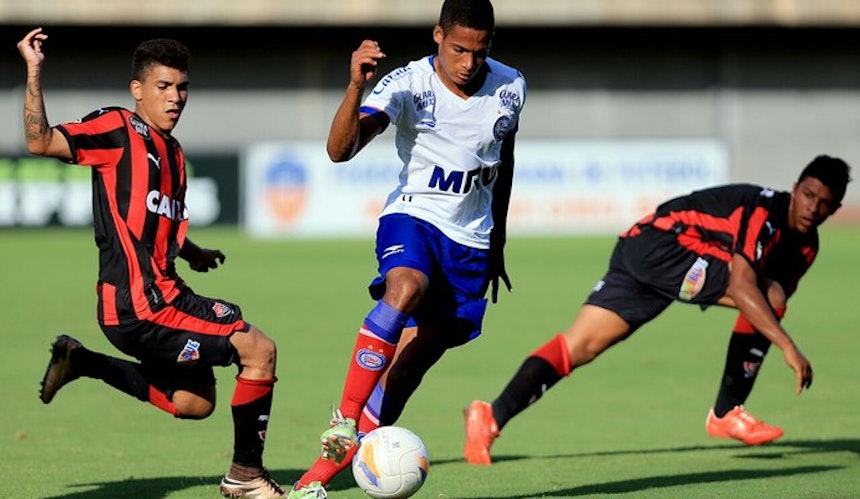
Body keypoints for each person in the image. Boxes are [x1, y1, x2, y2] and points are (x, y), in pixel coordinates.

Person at [19, 28, 285, 498]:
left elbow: (152, 219)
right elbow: (40, 142)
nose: (176, 97)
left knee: (195, 403)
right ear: (137, 90)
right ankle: (245, 477)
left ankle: (82, 361)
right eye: (163, 87)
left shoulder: (174, 153)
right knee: (258, 350)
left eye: (182, 87)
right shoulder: (117, 128)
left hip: (160, 298)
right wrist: (34, 71)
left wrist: (191, 250)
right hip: (141, 305)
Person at [463, 155, 851, 465]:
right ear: (796, 188)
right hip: (665, 245)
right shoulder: (764, 211)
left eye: (825, 204)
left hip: (642, 252)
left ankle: (490, 416)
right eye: (809, 195)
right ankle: (726, 412)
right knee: (767, 296)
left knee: (579, 345)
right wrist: (787, 346)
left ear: (835, 209)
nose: (813, 208)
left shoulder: (806, 246)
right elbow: (741, 287)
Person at [287, 0, 525, 496]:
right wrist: (356, 87)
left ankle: (329, 470)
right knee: (406, 285)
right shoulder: (408, 84)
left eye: (479, 52)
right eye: (459, 49)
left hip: (472, 242)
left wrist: (498, 239)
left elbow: (505, 161)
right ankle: (344, 422)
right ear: (438, 35)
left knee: (415, 359)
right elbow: (339, 151)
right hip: (413, 217)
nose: (468, 63)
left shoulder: (511, 86)